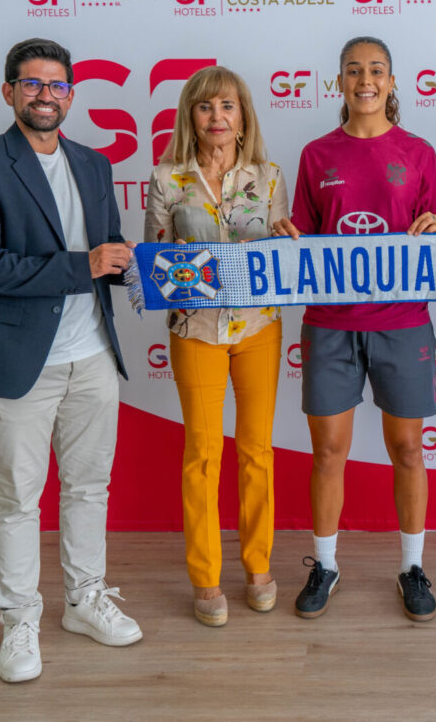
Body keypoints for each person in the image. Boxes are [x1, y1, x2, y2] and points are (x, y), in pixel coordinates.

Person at [0, 38, 142, 684]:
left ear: (71, 95)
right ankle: (19, 619)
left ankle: (85, 599)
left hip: (91, 354)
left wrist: (142, 266)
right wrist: (81, 265)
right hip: (16, 360)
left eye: (57, 85)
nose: (45, 95)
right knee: (17, 497)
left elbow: (105, 248)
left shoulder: (92, 163)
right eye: (32, 84)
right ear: (9, 92)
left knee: (89, 488)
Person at [273, 36, 436, 622]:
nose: (365, 80)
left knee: (407, 449)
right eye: (354, 70)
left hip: (403, 321)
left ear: (393, 82)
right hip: (330, 324)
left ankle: (412, 567)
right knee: (328, 450)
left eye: (376, 70)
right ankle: (325, 564)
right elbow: (302, 233)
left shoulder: (419, 152)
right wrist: (286, 237)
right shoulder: (316, 154)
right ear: (340, 82)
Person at [144, 66, 289, 627]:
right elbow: (154, 263)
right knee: (203, 454)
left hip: (258, 328)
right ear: (191, 116)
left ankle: (258, 566)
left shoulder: (269, 175)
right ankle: (205, 578)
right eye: (205, 108)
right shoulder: (167, 180)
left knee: (257, 451)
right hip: (195, 329)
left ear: (243, 115)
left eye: (227, 106)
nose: (217, 118)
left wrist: (284, 240)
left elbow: (280, 251)